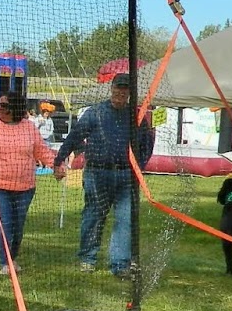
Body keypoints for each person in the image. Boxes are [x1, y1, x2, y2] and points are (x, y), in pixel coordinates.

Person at [52, 73, 156, 277]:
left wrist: (139, 168)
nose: (120, 92)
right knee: (93, 216)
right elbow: (75, 137)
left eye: (125, 89)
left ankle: (119, 264)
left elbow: (147, 145)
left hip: (126, 175)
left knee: (125, 220)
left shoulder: (137, 116)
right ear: (112, 88)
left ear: (129, 92)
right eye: (118, 88)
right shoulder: (95, 112)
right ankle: (87, 258)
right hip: (97, 173)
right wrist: (58, 161)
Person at [0, 93, 55, 275]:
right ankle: (5, 263)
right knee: (4, 223)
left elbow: (42, 151)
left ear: (16, 108)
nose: (0, 109)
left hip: (25, 187)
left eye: (5, 106)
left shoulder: (29, 128)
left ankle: (12, 257)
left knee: (18, 225)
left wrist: (57, 165)